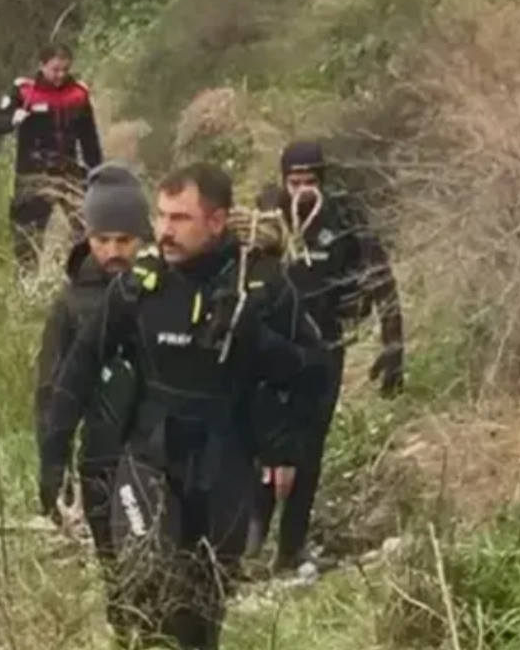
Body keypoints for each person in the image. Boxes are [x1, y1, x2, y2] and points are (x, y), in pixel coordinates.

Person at [41, 163, 328, 649]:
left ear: (216, 221)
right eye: (161, 216)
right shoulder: (141, 285)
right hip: (149, 457)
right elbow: (79, 366)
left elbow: (315, 373)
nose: (164, 231)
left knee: (198, 621)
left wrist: (255, 342)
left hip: (225, 467)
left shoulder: (259, 286)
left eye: (180, 218)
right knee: (146, 580)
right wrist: (53, 455)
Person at [246, 140, 406, 575]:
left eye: (310, 181)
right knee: (261, 446)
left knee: (309, 447)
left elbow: (379, 275)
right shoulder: (266, 214)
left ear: (323, 180)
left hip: (324, 346)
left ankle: (291, 548)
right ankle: (248, 547)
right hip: (268, 347)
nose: (302, 191)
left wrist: (393, 342)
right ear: (282, 181)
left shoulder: (344, 216)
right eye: (294, 182)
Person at [32, 161, 152, 641]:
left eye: (124, 240)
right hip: (98, 455)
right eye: (103, 240)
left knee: (151, 567)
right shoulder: (70, 303)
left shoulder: (163, 289)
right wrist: (52, 464)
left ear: (143, 236)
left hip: (155, 455)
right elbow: (51, 388)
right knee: (115, 577)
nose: (113, 251)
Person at [0, 42, 104, 272]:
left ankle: (83, 273)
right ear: (42, 66)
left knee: (87, 226)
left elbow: (89, 139)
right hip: (33, 174)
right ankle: (28, 280)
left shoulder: (78, 95)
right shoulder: (24, 92)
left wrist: (97, 171)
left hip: (69, 171)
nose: (60, 75)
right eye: (55, 70)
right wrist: (12, 118)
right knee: (27, 235)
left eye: (65, 69)